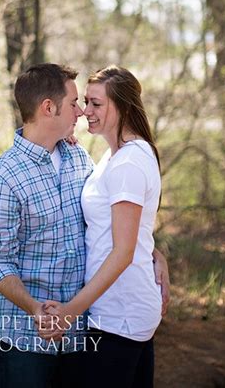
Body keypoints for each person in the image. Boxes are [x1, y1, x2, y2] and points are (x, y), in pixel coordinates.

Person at [0, 63, 169, 388]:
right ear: (48, 108)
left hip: (80, 330)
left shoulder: (78, 159)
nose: (81, 111)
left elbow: (113, 221)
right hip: (27, 336)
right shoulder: (5, 178)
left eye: (89, 103)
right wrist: (35, 308)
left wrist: (152, 251)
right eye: (74, 103)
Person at [39, 65, 164, 388]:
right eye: (84, 102)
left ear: (121, 107)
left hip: (119, 314)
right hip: (116, 310)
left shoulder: (128, 163)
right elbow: (125, 226)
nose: (85, 111)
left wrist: (70, 311)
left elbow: (122, 252)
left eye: (96, 104)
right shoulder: (118, 156)